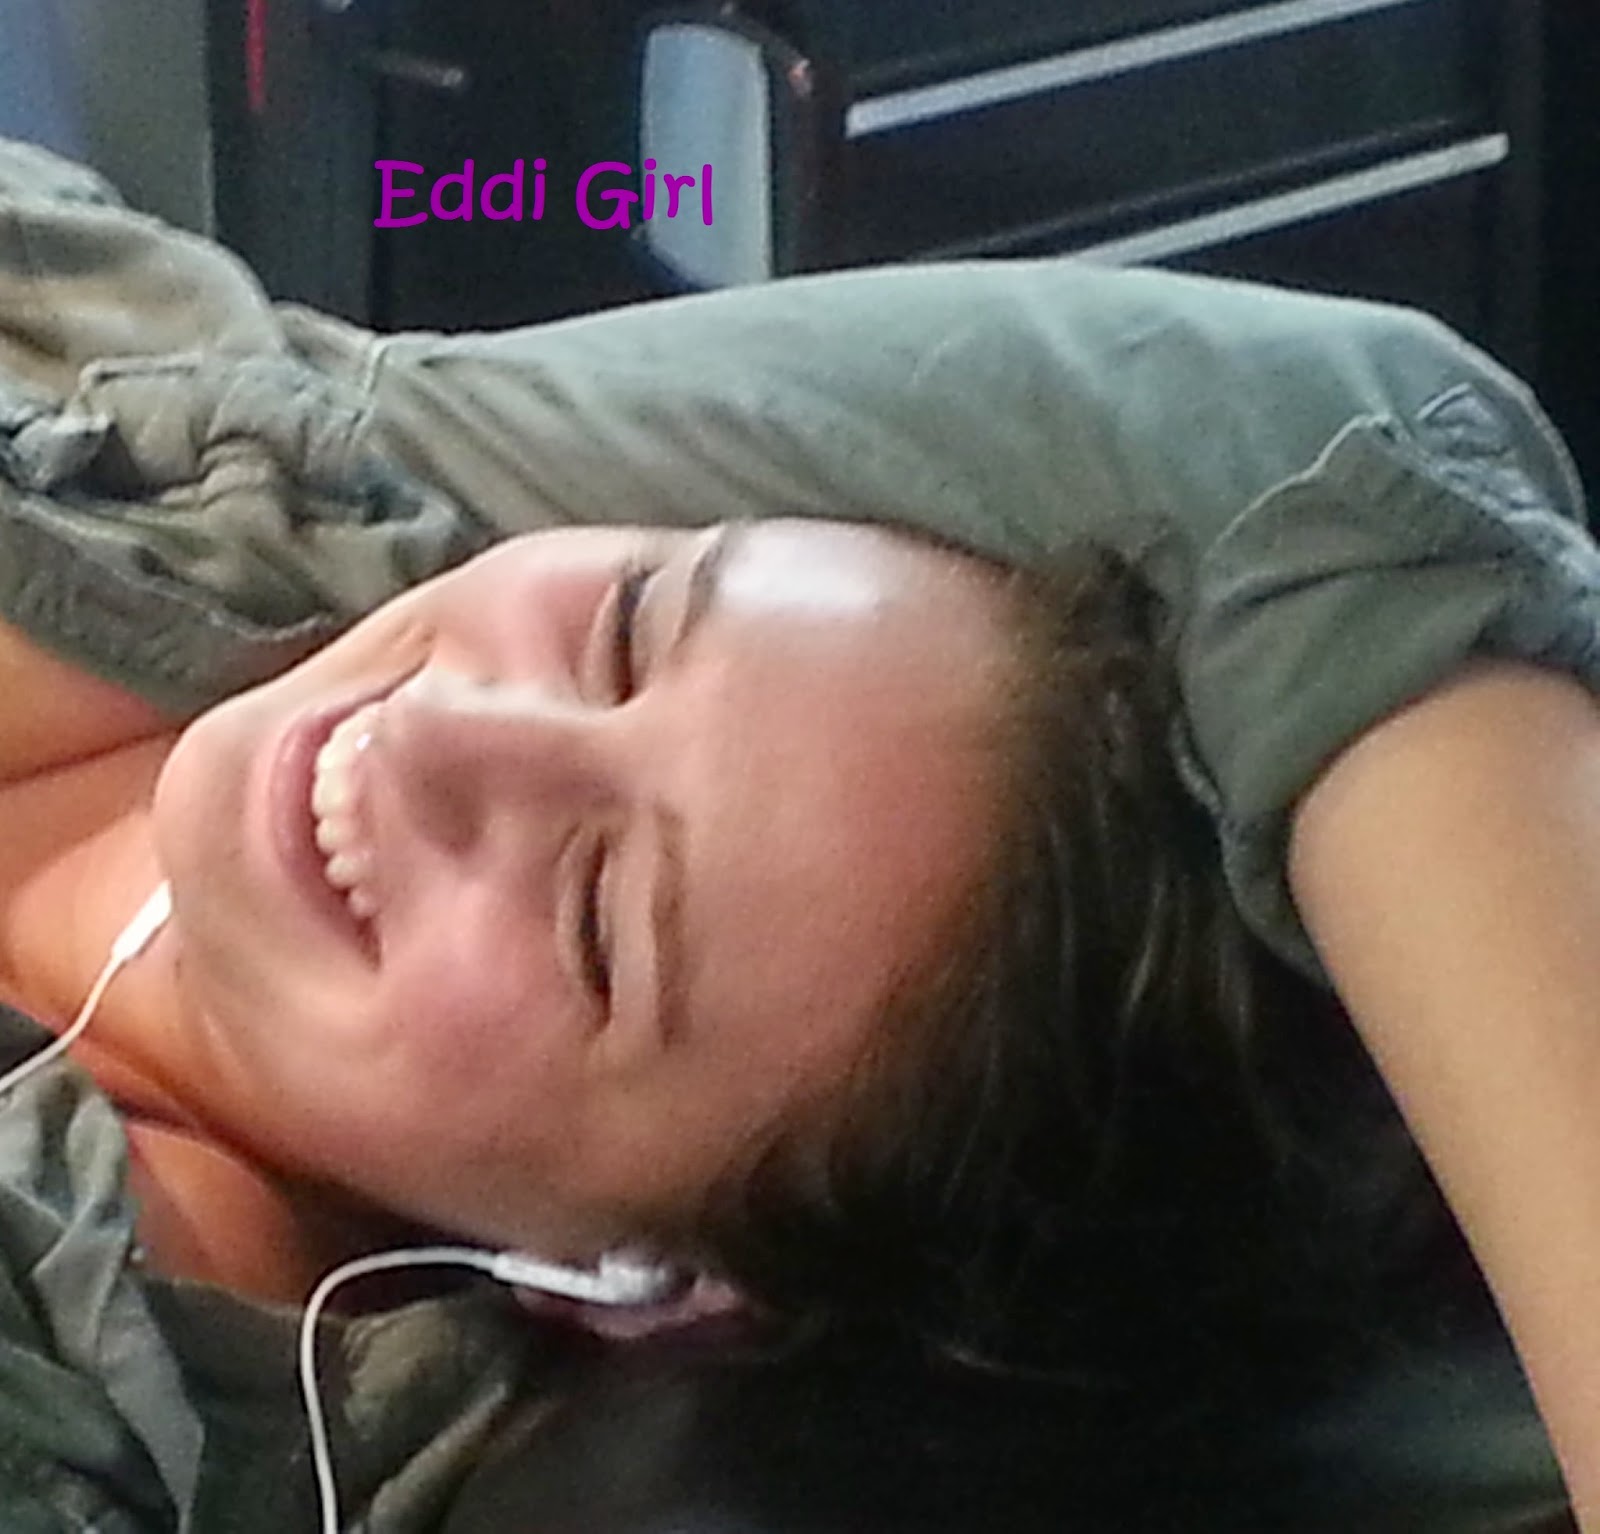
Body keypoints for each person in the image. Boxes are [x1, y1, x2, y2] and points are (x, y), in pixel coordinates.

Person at [2, 135, 1599, 1526]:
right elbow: (1344, 439)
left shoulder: (80, 1409)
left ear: (647, 1285)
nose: (447, 735)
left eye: (597, 922)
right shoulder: (287, 470)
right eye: (627, 630)